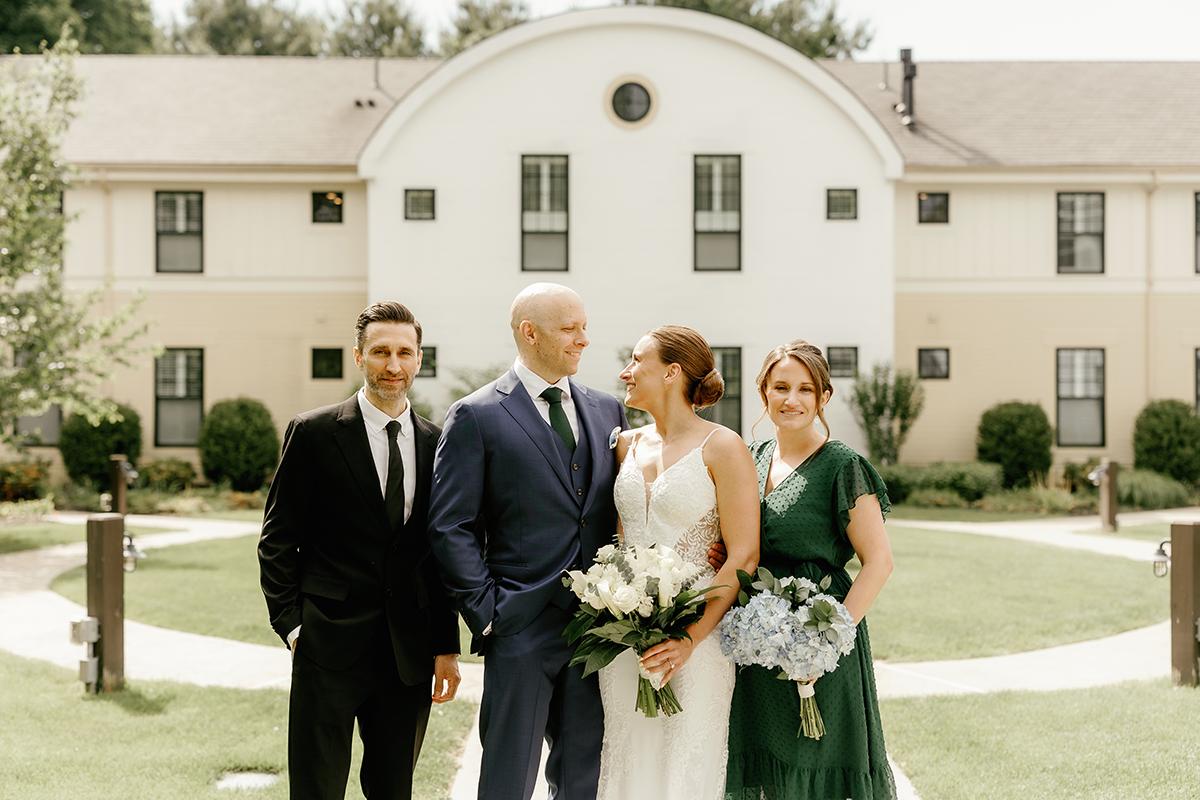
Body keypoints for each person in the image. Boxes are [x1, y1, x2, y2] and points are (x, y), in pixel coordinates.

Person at [428, 283, 627, 800]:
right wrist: (487, 610)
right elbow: (451, 525)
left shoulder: (608, 411)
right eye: (570, 329)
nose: (584, 339)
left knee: (585, 777)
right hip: (518, 625)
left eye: (584, 326)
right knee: (507, 779)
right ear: (529, 332)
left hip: (596, 628)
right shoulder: (476, 415)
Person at [258, 301, 461, 800]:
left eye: (403, 353)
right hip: (327, 641)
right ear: (358, 356)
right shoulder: (315, 432)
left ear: (418, 359)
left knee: (393, 787)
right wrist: (291, 623)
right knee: (317, 786)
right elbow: (278, 537)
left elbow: (440, 554)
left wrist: (445, 646)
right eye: (380, 352)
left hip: (407, 652)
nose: (392, 365)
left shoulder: (440, 443)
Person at [724, 340, 896, 800]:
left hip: (821, 639)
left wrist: (827, 643)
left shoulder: (843, 465)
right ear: (764, 392)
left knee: (814, 765)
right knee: (763, 765)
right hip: (756, 641)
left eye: (805, 389)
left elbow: (879, 562)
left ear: (823, 397)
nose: (791, 399)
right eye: (781, 387)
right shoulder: (751, 457)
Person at [597, 325, 760, 800]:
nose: (625, 372)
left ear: (671, 372)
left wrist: (688, 639)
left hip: (699, 638)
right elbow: (620, 538)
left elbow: (744, 552)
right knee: (627, 757)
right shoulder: (625, 444)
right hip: (626, 637)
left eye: (636, 360)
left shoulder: (722, 446)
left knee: (686, 768)